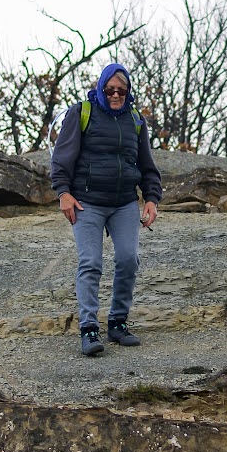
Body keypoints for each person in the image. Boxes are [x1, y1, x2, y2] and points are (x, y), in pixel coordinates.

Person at [50, 61, 162, 356]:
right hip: (87, 203)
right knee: (91, 263)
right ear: (100, 88)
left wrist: (151, 198)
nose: (115, 95)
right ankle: (89, 329)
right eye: (110, 89)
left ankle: (117, 323)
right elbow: (61, 158)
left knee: (128, 259)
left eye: (121, 91)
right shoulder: (81, 113)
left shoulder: (136, 120)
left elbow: (147, 165)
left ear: (128, 92)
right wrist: (63, 192)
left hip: (124, 201)